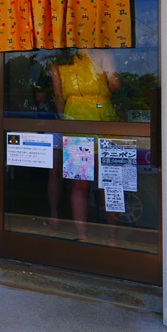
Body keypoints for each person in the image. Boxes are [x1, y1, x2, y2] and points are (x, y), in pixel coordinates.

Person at [49, 48, 120, 240]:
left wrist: (65, 117)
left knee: (79, 184)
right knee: (109, 182)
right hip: (102, 119)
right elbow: (114, 83)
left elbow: (58, 95)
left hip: (74, 120)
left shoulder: (59, 62)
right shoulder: (102, 54)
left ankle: (82, 236)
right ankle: (113, 238)